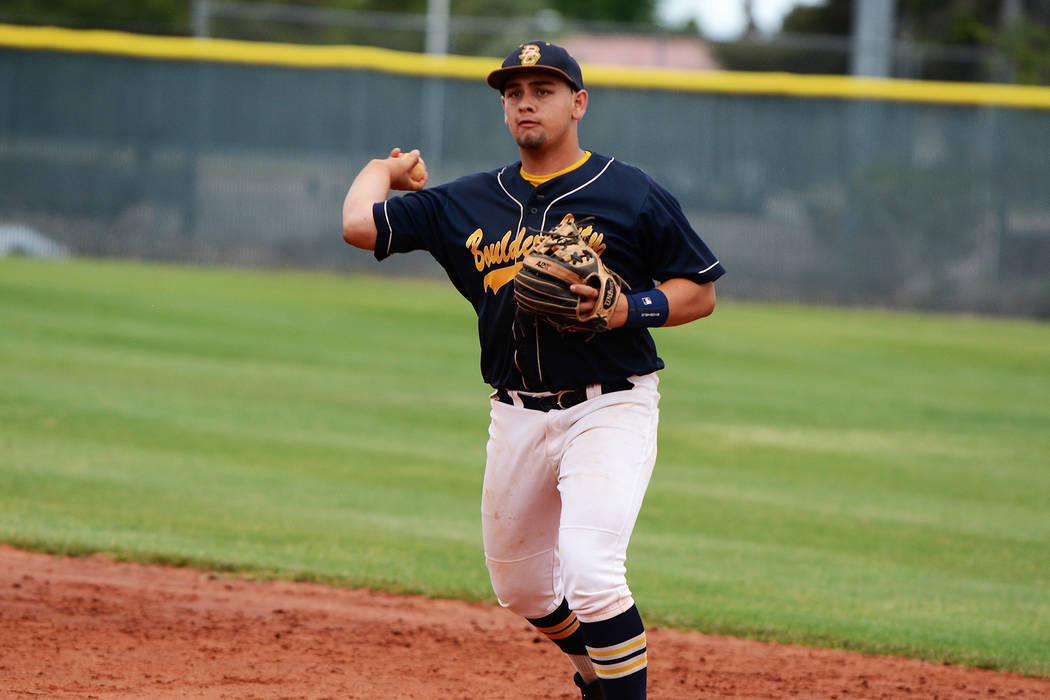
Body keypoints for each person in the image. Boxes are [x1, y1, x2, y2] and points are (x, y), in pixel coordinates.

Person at [341, 40, 724, 700]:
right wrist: (384, 168)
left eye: (542, 90)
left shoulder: (630, 192)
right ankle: (595, 681)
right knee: (519, 586)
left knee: (591, 572)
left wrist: (627, 309)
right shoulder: (466, 202)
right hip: (515, 412)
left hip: (610, 406)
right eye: (514, 92)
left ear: (577, 104)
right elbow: (357, 224)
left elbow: (700, 289)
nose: (525, 101)